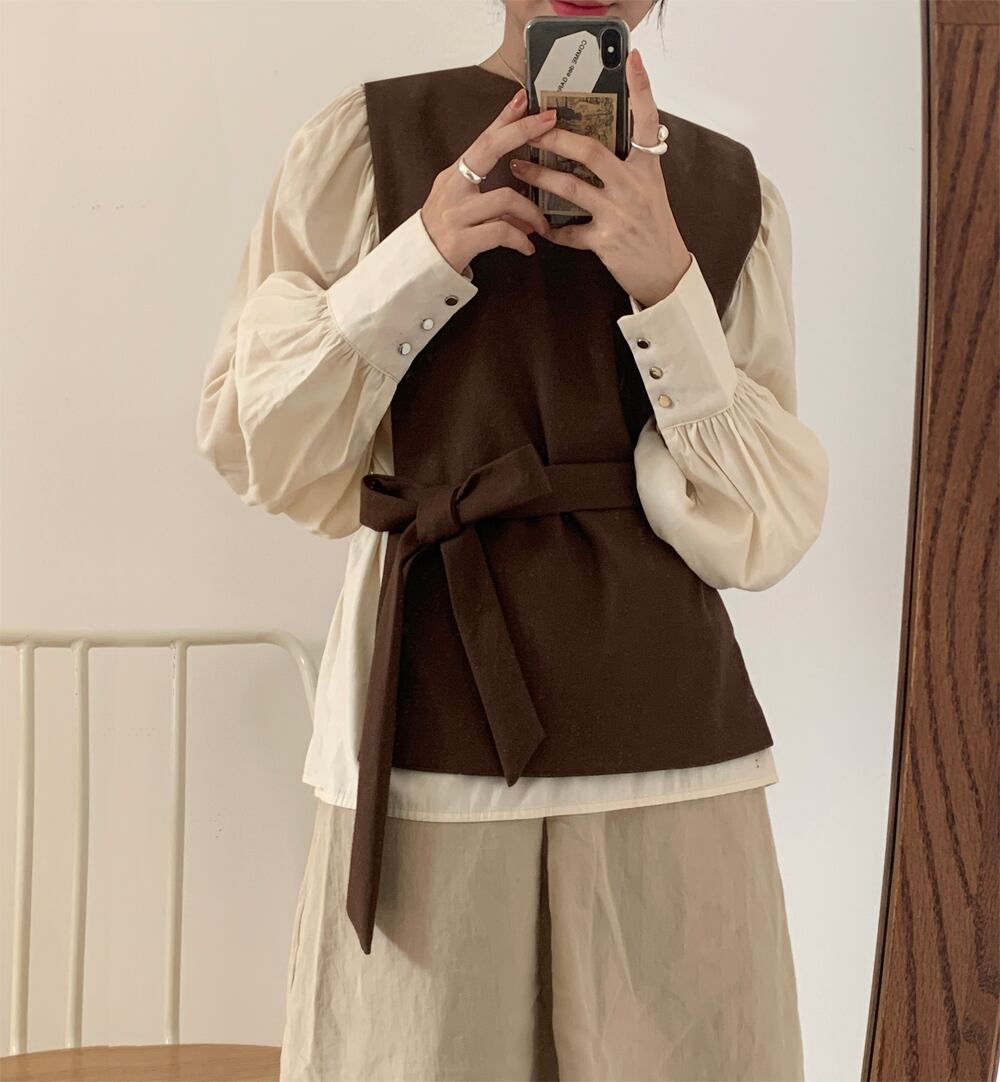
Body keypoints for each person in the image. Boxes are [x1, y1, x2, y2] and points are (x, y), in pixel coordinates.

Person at [196, 1, 829, 1078]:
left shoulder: (730, 194)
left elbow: (764, 523)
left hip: (670, 753)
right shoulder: (364, 145)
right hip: (425, 738)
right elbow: (259, 444)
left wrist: (666, 283)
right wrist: (421, 253)